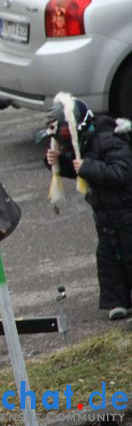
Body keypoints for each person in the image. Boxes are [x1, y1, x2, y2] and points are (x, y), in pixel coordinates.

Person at [42, 94, 132, 321]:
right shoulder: (84, 145)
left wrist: (87, 166)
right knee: (108, 258)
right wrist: (58, 163)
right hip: (105, 215)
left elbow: (120, 173)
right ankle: (117, 301)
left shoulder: (110, 140)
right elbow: (80, 170)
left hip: (126, 211)